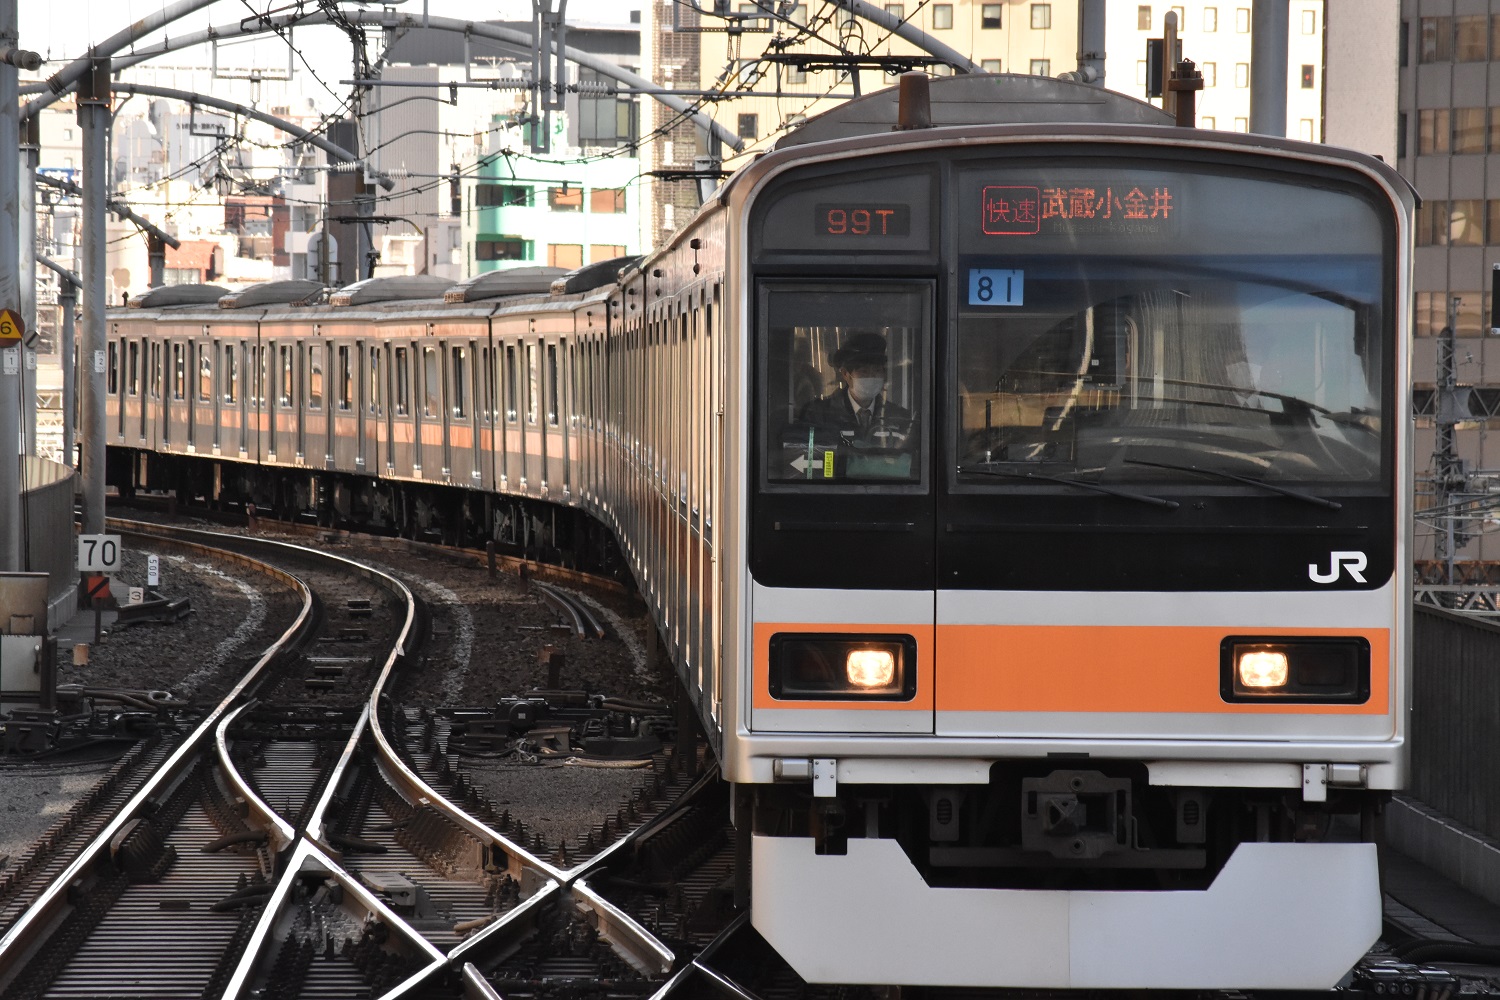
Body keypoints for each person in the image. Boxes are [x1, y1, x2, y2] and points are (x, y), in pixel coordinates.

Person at [796, 332, 913, 449]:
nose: (871, 377)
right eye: (864, 372)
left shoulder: (899, 418)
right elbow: (810, 455)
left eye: (877, 371)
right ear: (845, 374)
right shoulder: (819, 415)